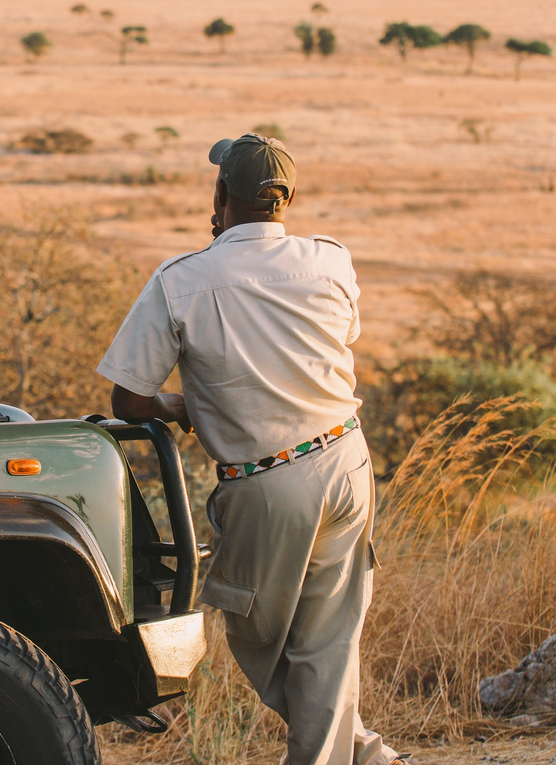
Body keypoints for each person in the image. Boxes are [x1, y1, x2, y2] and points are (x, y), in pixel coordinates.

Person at [97, 133, 399, 765]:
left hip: (267, 481)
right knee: (326, 641)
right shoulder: (330, 260)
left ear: (220, 194)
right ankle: (365, 756)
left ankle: (347, 756)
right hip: (345, 459)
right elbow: (341, 336)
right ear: (288, 199)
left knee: (256, 635)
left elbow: (128, 398)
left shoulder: (182, 280)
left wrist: (179, 406)